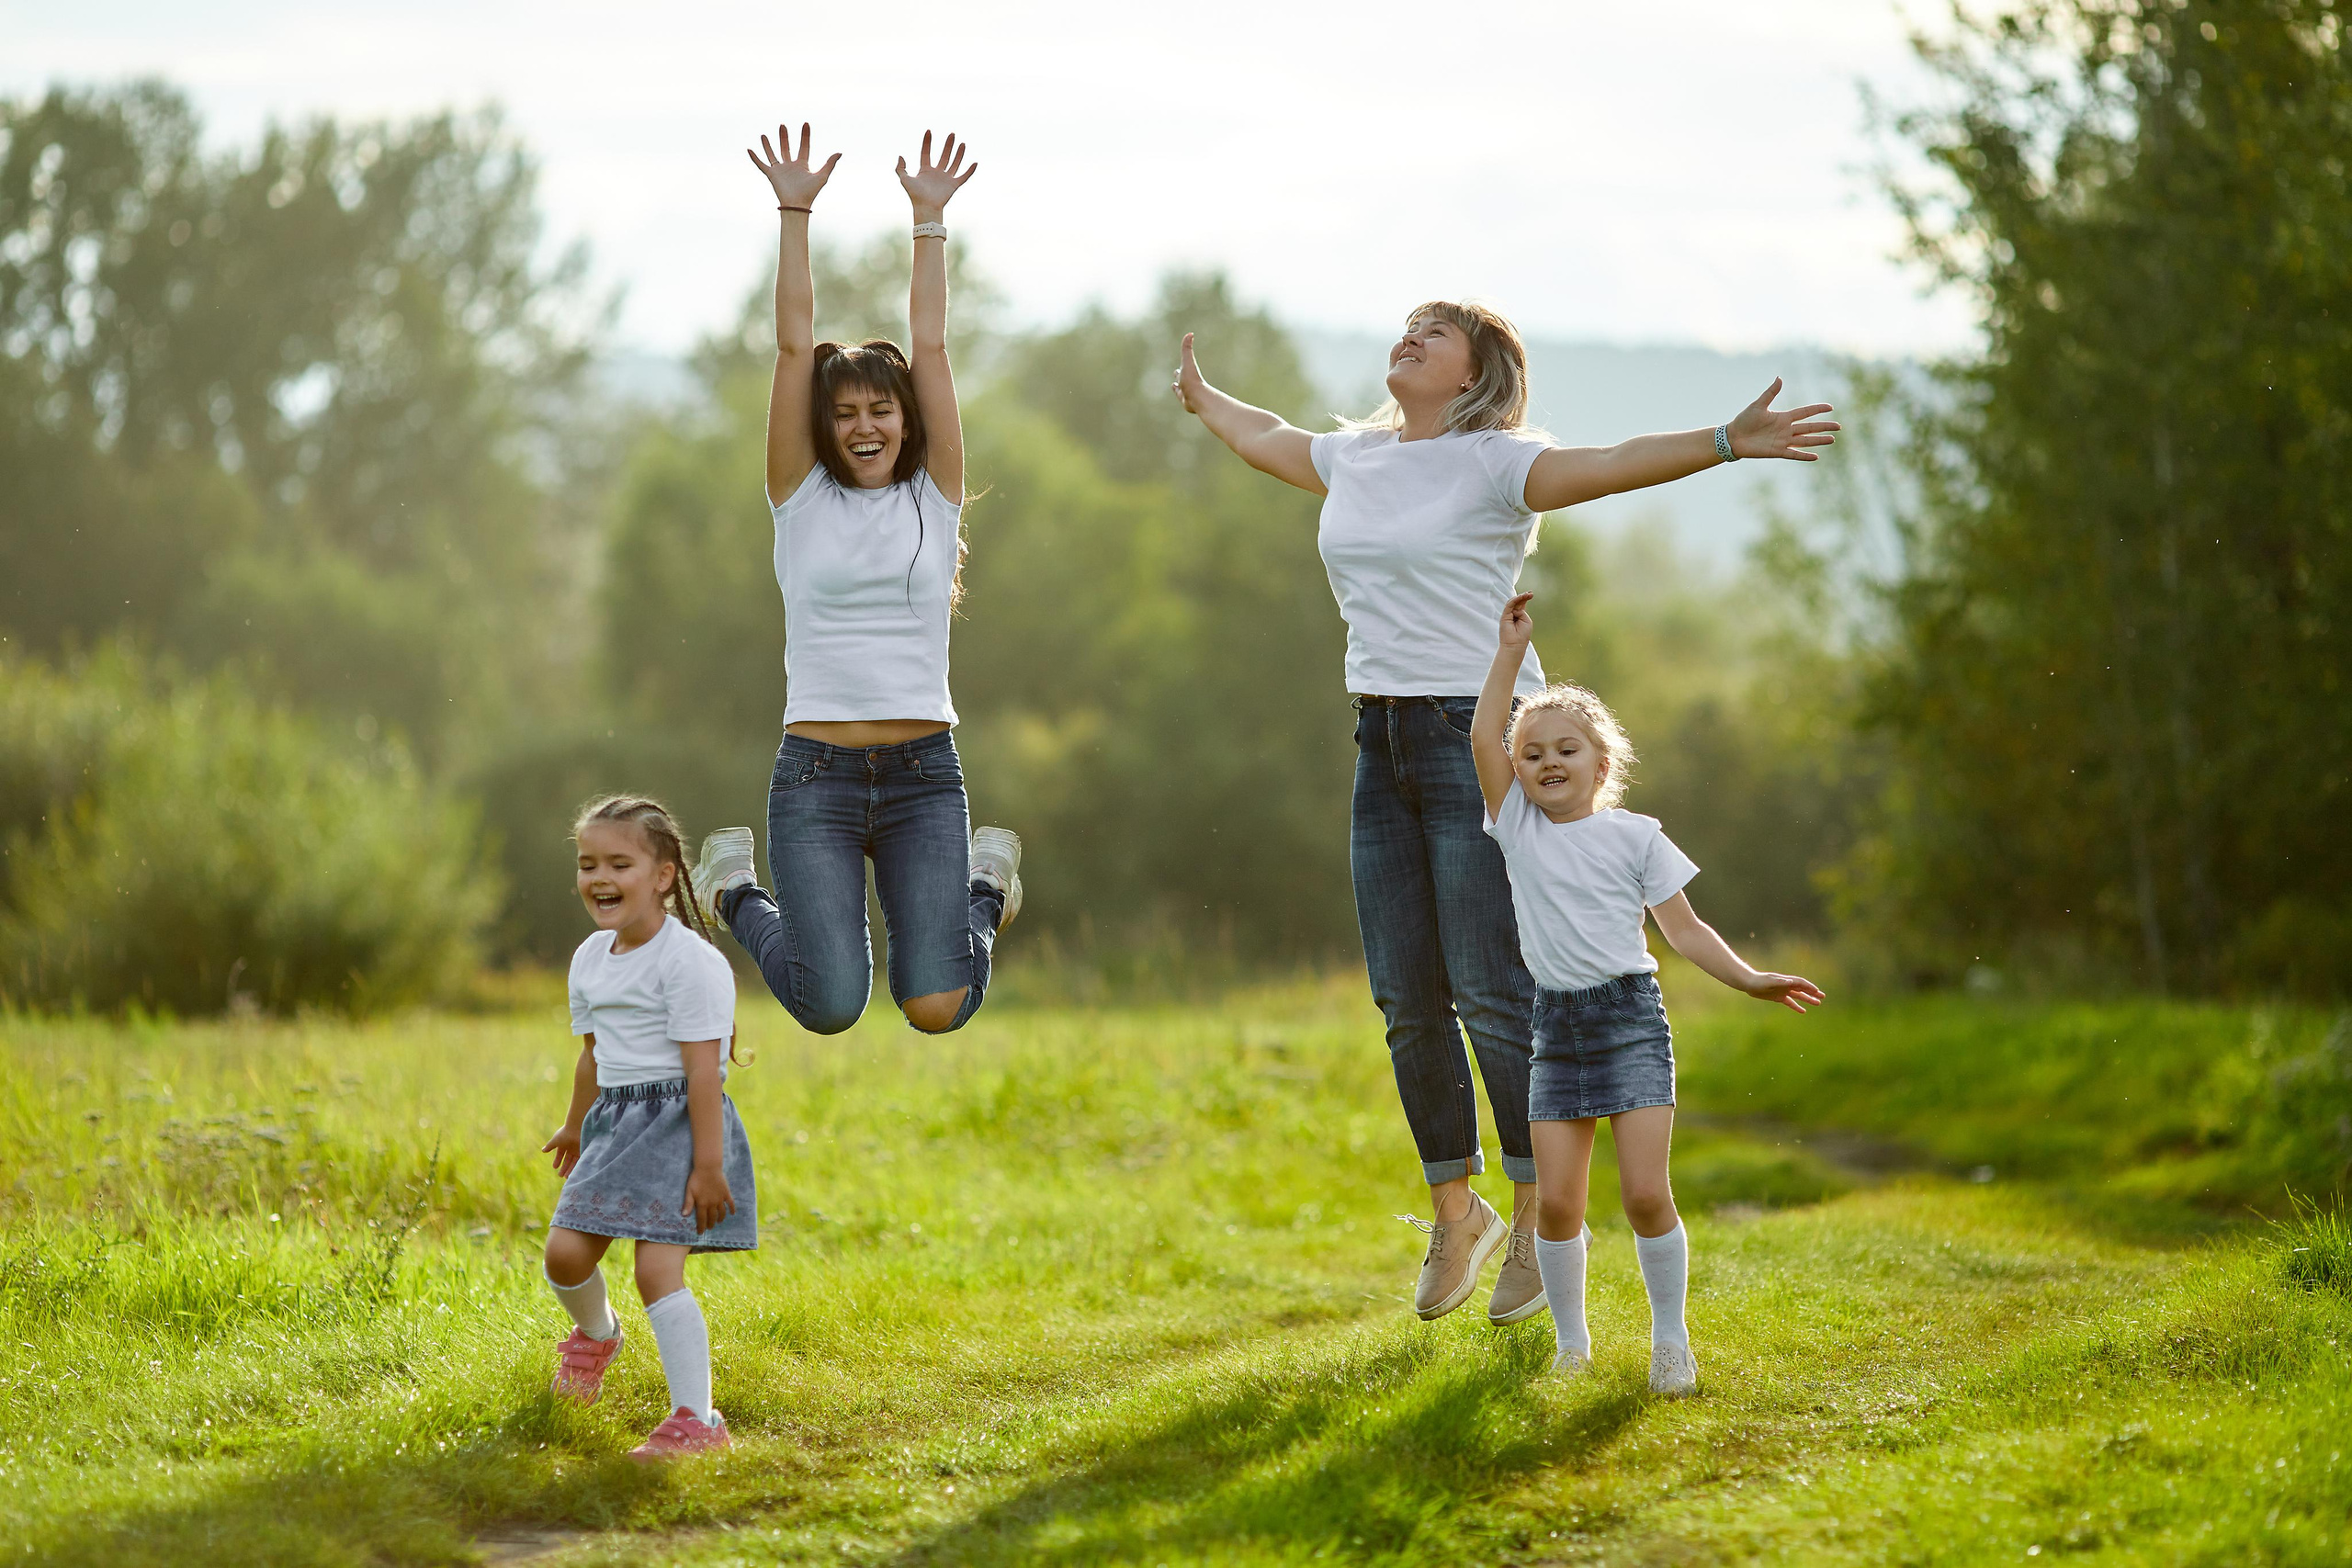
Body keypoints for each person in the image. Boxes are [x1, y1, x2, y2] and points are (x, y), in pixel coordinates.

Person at [1173, 301, 1836, 1325]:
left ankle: (1535, 1219)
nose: (1407, 340)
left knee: (1489, 988)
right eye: (1404, 329)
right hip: (1378, 742)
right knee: (1404, 997)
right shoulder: (1356, 458)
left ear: (1477, 373)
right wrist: (1204, 397)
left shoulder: (1496, 465)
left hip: (1467, 743)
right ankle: (1457, 1210)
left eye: (1432, 335)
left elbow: (1611, 462)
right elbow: (1266, 437)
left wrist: (1722, 443)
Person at [691, 122, 1023, 1037]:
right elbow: (793, 349)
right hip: (816, 779)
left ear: (906, 421)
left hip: (925, 774)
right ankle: (734, 892)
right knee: (831, 1004)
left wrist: (928, 223)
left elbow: (934, 345)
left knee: (935, 1005)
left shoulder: (937, 495)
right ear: (825, 428)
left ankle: (984, 892)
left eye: (881, 407)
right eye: (846, 413)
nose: (865, 423)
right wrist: (795, 212)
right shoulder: (797, 499)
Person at [1471, 592, 1824, 1391]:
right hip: (1555, 1029)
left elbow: (1685, 929)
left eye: (1567, 748)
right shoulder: (1515, 828)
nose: (1548, 761)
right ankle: (1572, 1345)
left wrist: (1752, 977)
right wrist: (1506, 654)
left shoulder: (1637, 836)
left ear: (1603, 763)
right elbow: (1481, 735)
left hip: (1630, 1017)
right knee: (1556, 1205)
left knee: (1642, 1193)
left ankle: (1672, 1341)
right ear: (1517, 771)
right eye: (1533, 754)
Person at [541, 795, 754, 1459]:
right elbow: (592, 1052)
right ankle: (598, 1335)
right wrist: (576, 1125)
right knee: (564, 1255)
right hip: (612, 1123)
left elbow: (702, 1077)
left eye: (619, 863)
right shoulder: (589, 958)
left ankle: (698, 1420)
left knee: (656, 1271)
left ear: (663, 875)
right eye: (587, 863)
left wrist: (709, 1165)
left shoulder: (688, 962)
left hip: (679, 1126)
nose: (599, 877)